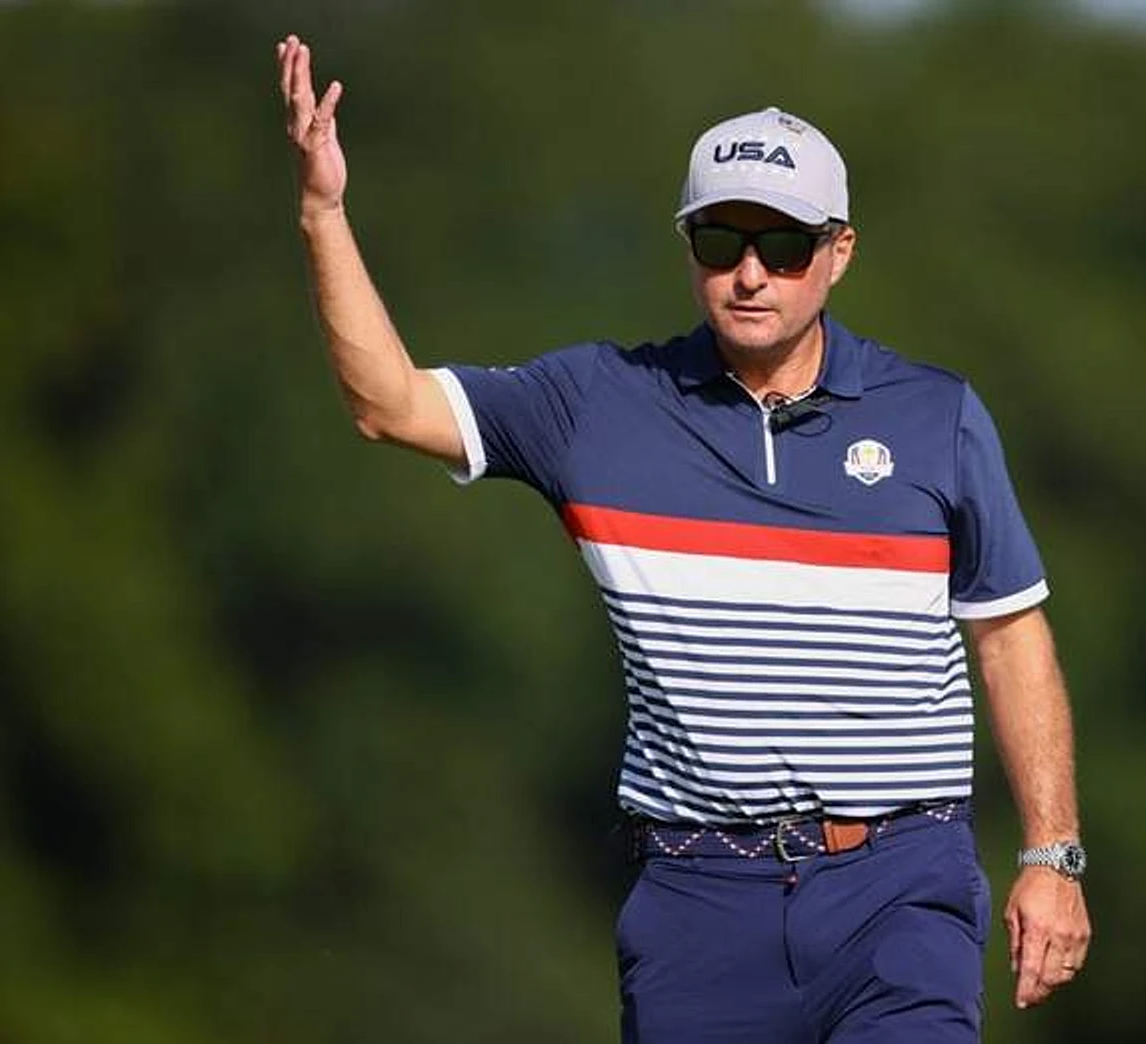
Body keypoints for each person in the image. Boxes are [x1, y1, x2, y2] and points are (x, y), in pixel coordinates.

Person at [276, 32, 1091, 1044]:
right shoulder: (596, 404)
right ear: (688, 246)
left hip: (898, 886)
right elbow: (388, 403)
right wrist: (323, 213)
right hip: (697, 898)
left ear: (838, 253)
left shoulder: (936, 416)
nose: (750, 275)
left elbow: (1010, 634)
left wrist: (1051, 856)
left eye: (783, 248)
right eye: (720, 243)